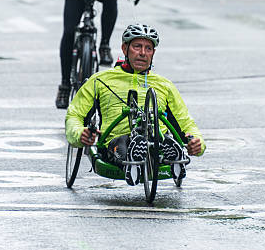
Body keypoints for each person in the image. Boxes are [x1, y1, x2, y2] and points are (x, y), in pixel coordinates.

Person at [65, 24, 205, 185]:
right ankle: (134, 158)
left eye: (148, 48)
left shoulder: (164, 85)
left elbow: (185, 122)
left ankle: (170, 154)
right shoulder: (100, 80)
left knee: (159, 139)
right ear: (125, 49)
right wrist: (79, 133)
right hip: (116, 142)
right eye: (137, 46)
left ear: (153, 53)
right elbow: (74, 115)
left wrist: (198, 143)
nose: (143, 53)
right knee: (123, 143)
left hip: (156, 138)